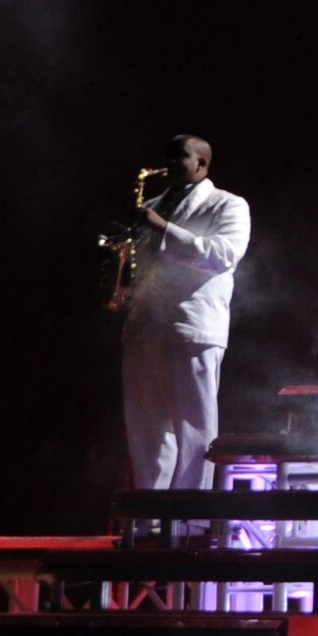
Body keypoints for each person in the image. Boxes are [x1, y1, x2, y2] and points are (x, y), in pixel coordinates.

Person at [121, 134, 251, 490]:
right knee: (146, 428)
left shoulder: (229, 205)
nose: (167, 164)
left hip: (191, 326)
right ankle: (147, 518)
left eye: (178, 157)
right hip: (145, 326)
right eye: (166, 156)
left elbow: (222, 255)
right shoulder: (152, 204)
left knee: (194, 429)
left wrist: (161, 228)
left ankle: (190, 519)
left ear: (202, 164)